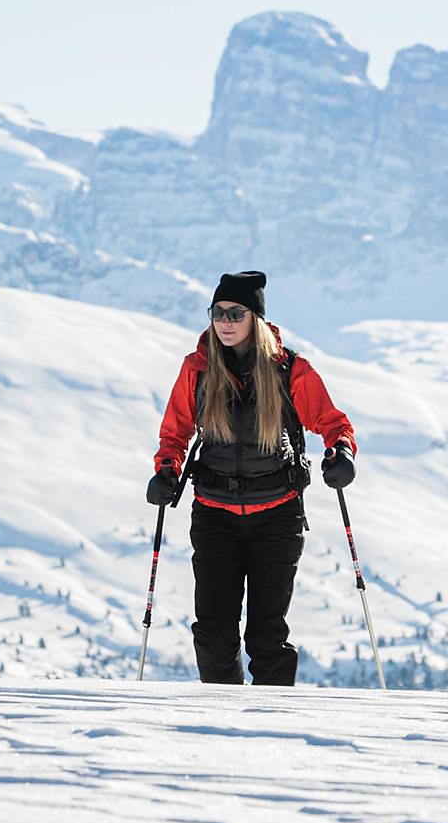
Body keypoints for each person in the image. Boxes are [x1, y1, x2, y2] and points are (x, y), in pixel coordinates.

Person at [149, 271, 356, 686]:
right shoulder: (198, 369)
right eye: (218, 313)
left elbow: (333, 423)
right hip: (214, 515)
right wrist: (166, 470)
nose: (225, 321)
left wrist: (342, 453)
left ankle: (270, 728)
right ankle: (222, 727)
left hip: (277, 517)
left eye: (235, 313)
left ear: (255, 318)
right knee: (212, 633)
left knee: (266, 635)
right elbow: (175, 432)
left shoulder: (288, 370)